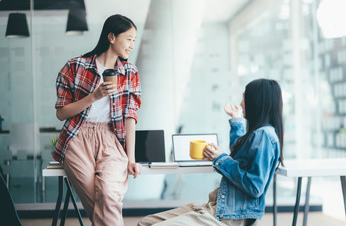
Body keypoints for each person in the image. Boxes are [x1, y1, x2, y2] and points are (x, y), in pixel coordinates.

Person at [138, 78, 284, 226]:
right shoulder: (259, 133)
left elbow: (255, 186)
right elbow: (240, 156)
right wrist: (236, 121)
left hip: (231, 217)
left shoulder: (264, 135)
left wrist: (220, 159)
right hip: (217, 208)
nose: (241, 103)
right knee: (145, 223)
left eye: (244, 98)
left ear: (257, 102)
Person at [54, 14, 142, 226]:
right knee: (99, 201)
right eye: (128, 38)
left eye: (134, 40)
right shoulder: (75, 66)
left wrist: (131, 157)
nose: (131, 45)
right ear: (111, 37)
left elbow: (131, 116)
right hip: (77, 137)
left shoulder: (130, 72)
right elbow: (61, 113)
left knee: (109, 195)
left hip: (111, 138)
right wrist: (94, 96)